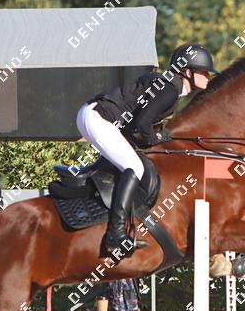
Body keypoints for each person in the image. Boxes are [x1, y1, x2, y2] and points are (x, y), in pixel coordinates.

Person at [76, 43, 217, 258]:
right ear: (187, 72)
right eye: (203, 71)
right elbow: (143, 123)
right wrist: (156, 139)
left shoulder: (170, 86)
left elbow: (138, 123)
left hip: (96, 116)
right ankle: (115, 234)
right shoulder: (170, 88)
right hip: (98, 118)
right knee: (134, 167)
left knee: (130, 160)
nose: (208, 76)